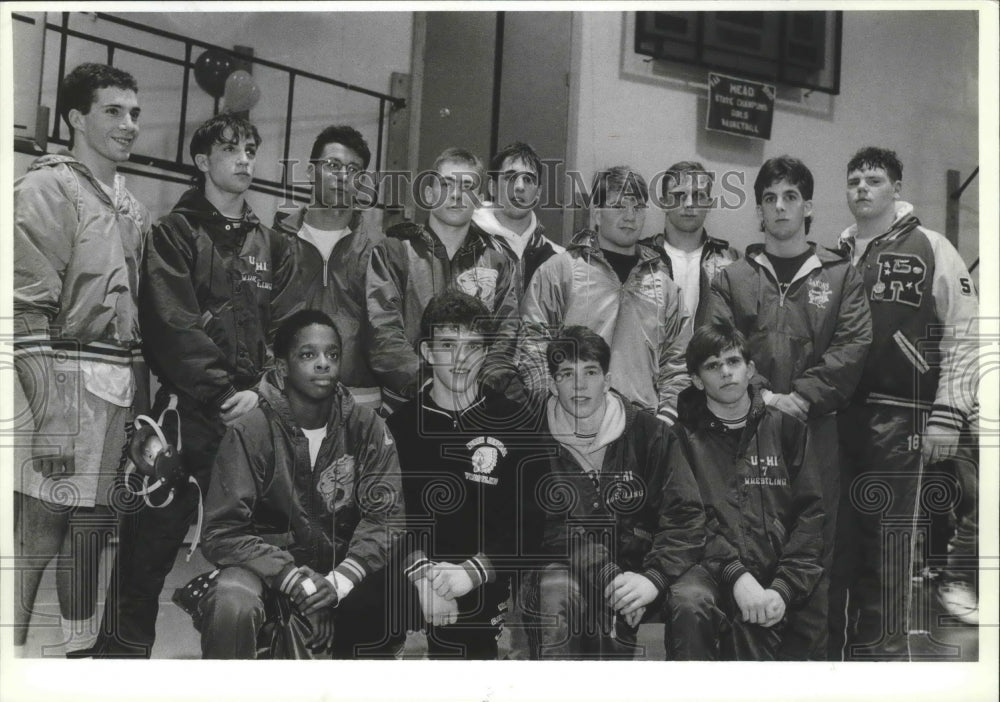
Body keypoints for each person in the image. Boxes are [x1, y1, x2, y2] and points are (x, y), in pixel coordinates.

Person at [73, 113, 296, 657]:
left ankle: (255, 659)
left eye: (251, 148)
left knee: (261, 550)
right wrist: (223, 394)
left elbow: (290, 332)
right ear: (202, 162)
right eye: (231, 149)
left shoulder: (275, 246)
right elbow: (172, 326)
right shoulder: (174, 234)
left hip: (256, 420)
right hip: (182, 419)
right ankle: (120, 662)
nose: (245, 159)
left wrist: (265, 391)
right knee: (146, 552)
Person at [706, 155, 872, 659]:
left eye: (790, 197)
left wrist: (799, 398)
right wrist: (762, 397)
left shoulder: (842, 276)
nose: (780, 207)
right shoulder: (732, 278)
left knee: (811, 556)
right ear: (759, 210)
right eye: (770, 198)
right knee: (746, 549)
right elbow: (715, 344)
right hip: (743, 433)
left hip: (815, 433)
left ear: (808, 207)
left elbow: (852, 347)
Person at [13, 63, 150, 656]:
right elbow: (25, 307)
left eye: (135, 113)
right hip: (59, 375)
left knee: (93, 529)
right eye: (113, 111)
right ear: (75, 118)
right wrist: (49, 410)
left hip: (116, 381)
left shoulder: (134, 209)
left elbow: (134, 313)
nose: (129, 124)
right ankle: (9, 656)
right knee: (41, 527)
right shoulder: (45, 187)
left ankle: (77, 654)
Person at [833, 147, 980, 659]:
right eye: (854, 181)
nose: (862, 189)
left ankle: (885, 661)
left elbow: (965, 331)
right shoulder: (840, 251)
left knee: (889, 547)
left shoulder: (931, 246)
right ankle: (838, 657)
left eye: (874, 179)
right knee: (840, 544)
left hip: (903, 415)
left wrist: (950, 412)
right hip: (838, 417)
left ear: (896, 187)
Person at [196, 310, 403, 658]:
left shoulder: (367, 426)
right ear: (282, 368)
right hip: (267, 569)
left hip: (342, 569)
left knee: (395, 590)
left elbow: (387, 517)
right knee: (232, 602)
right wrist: (296, 581)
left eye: (332, 354)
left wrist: (337, 583)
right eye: (308, 355)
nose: (323, 364)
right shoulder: (251, 431)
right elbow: (221, 532)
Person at [518, 325, 704, 659]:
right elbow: (548, 528)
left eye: (590, 372)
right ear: (552, 382)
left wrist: (653, 577)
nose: (579, 384)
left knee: (682, 601)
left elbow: (685, 515)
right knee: (556, 593)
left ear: (607, 379)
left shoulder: (651, 434)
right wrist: (608, 577)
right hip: (563, 569)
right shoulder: (531, 442)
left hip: (638, 570)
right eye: (566, 374)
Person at [387, 291, 550, 659]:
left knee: (467, 654)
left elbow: (531, 520)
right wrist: (422, 576)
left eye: (473, 346)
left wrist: (474, 572)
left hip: (487, 577)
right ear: (427, 353)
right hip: (411, 572)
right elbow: (388, 515)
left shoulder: (517, 423)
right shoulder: (399, 426)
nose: (461, 359)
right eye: (448, 344)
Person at [666, 322, 824, 660]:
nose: (725, 372)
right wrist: (737, 577)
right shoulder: (680, 439)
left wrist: (783, 588)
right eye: (712, 366)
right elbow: (686, 522)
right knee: (688, 602)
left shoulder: (788, 429)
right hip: (710, 571)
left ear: (749, 369)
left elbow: (811, 518)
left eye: (733, 362)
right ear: (696, 380)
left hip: (778, 574)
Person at [521, 166, 691, 426]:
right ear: (597, 214)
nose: (630, 216)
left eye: (638, 207)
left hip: (640, 426)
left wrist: (666, 418)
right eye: (618, 206)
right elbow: (533, 343)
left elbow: (678, 363)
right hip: (570, 421)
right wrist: (551, 403)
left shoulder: (665, 288)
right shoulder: (560, 270)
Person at [366, 148, 520, 410]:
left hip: (474, 404)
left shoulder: (497, 263)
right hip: (407, 404)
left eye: (467, 186)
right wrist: (429, 387)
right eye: (446, 184)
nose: (457, 194)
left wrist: (476, 389)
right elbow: (382, 331)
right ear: (428, 194)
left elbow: (506, 336)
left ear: (479, 199)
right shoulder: (394, 251)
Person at [272, 125, 383, 408]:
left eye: (354, 170)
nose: (343, 177)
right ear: (311, 172)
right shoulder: (274, 243)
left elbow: (388, 332)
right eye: (333, 165)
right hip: (284, 398)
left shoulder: (380, 251)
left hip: (359, 402)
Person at [640, 160, 740, 328]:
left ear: (709, 204)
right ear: (664, 203)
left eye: (698, 195)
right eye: (679, 196)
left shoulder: (731, 262)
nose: (688, 204)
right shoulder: (640, 258)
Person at [472, 141, 564, 294]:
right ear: (492, 187)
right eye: (510, 177)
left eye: (528, 179)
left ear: (538, 193)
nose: (520, 187)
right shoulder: (467, 247)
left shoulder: (558, 258)